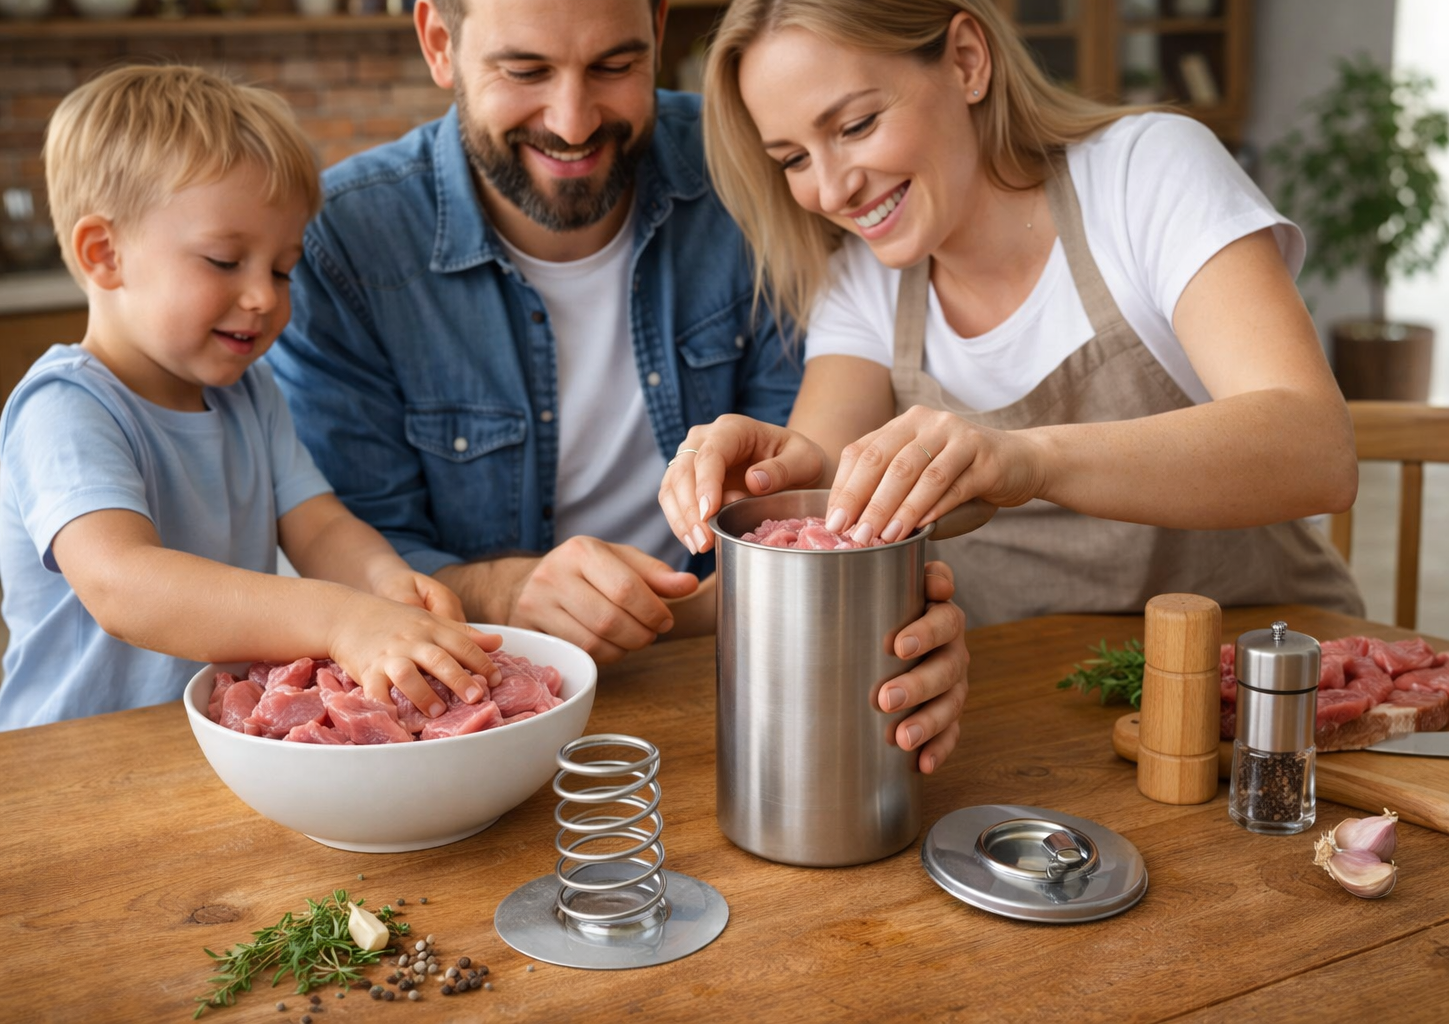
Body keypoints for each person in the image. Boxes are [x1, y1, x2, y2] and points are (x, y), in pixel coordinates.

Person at [267, 0, 972, 773]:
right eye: (526, 70)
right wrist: (514, 591)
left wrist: (883, 615)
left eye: (614, 66)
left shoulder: (754, 162)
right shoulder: (344, 245)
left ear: (659, 33)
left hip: (741, 679)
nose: (573, 123)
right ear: (441, 42)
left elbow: (809, 490)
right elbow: (353, 551)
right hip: (474, 731)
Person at [659, 0, 1364, 629]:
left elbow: (1316, 452)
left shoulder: (1142, 173)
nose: (832, 189)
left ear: (967, 60)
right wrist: (669, 587)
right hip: (1031, 709)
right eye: (791, 158)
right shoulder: (860, 283)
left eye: (856, 124)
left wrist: (1023, 459)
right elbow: (819, 499)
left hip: (1269, 668)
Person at [0, 65, 502, 731]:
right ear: (105, 253)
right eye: (226, 261)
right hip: (73, 763)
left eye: (282, 268)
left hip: (211, 743)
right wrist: (338, 616)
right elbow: (123, 584)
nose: (264, 296)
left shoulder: (247, 393)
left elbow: (317, 525)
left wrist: (383, 585)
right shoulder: (64, 408)